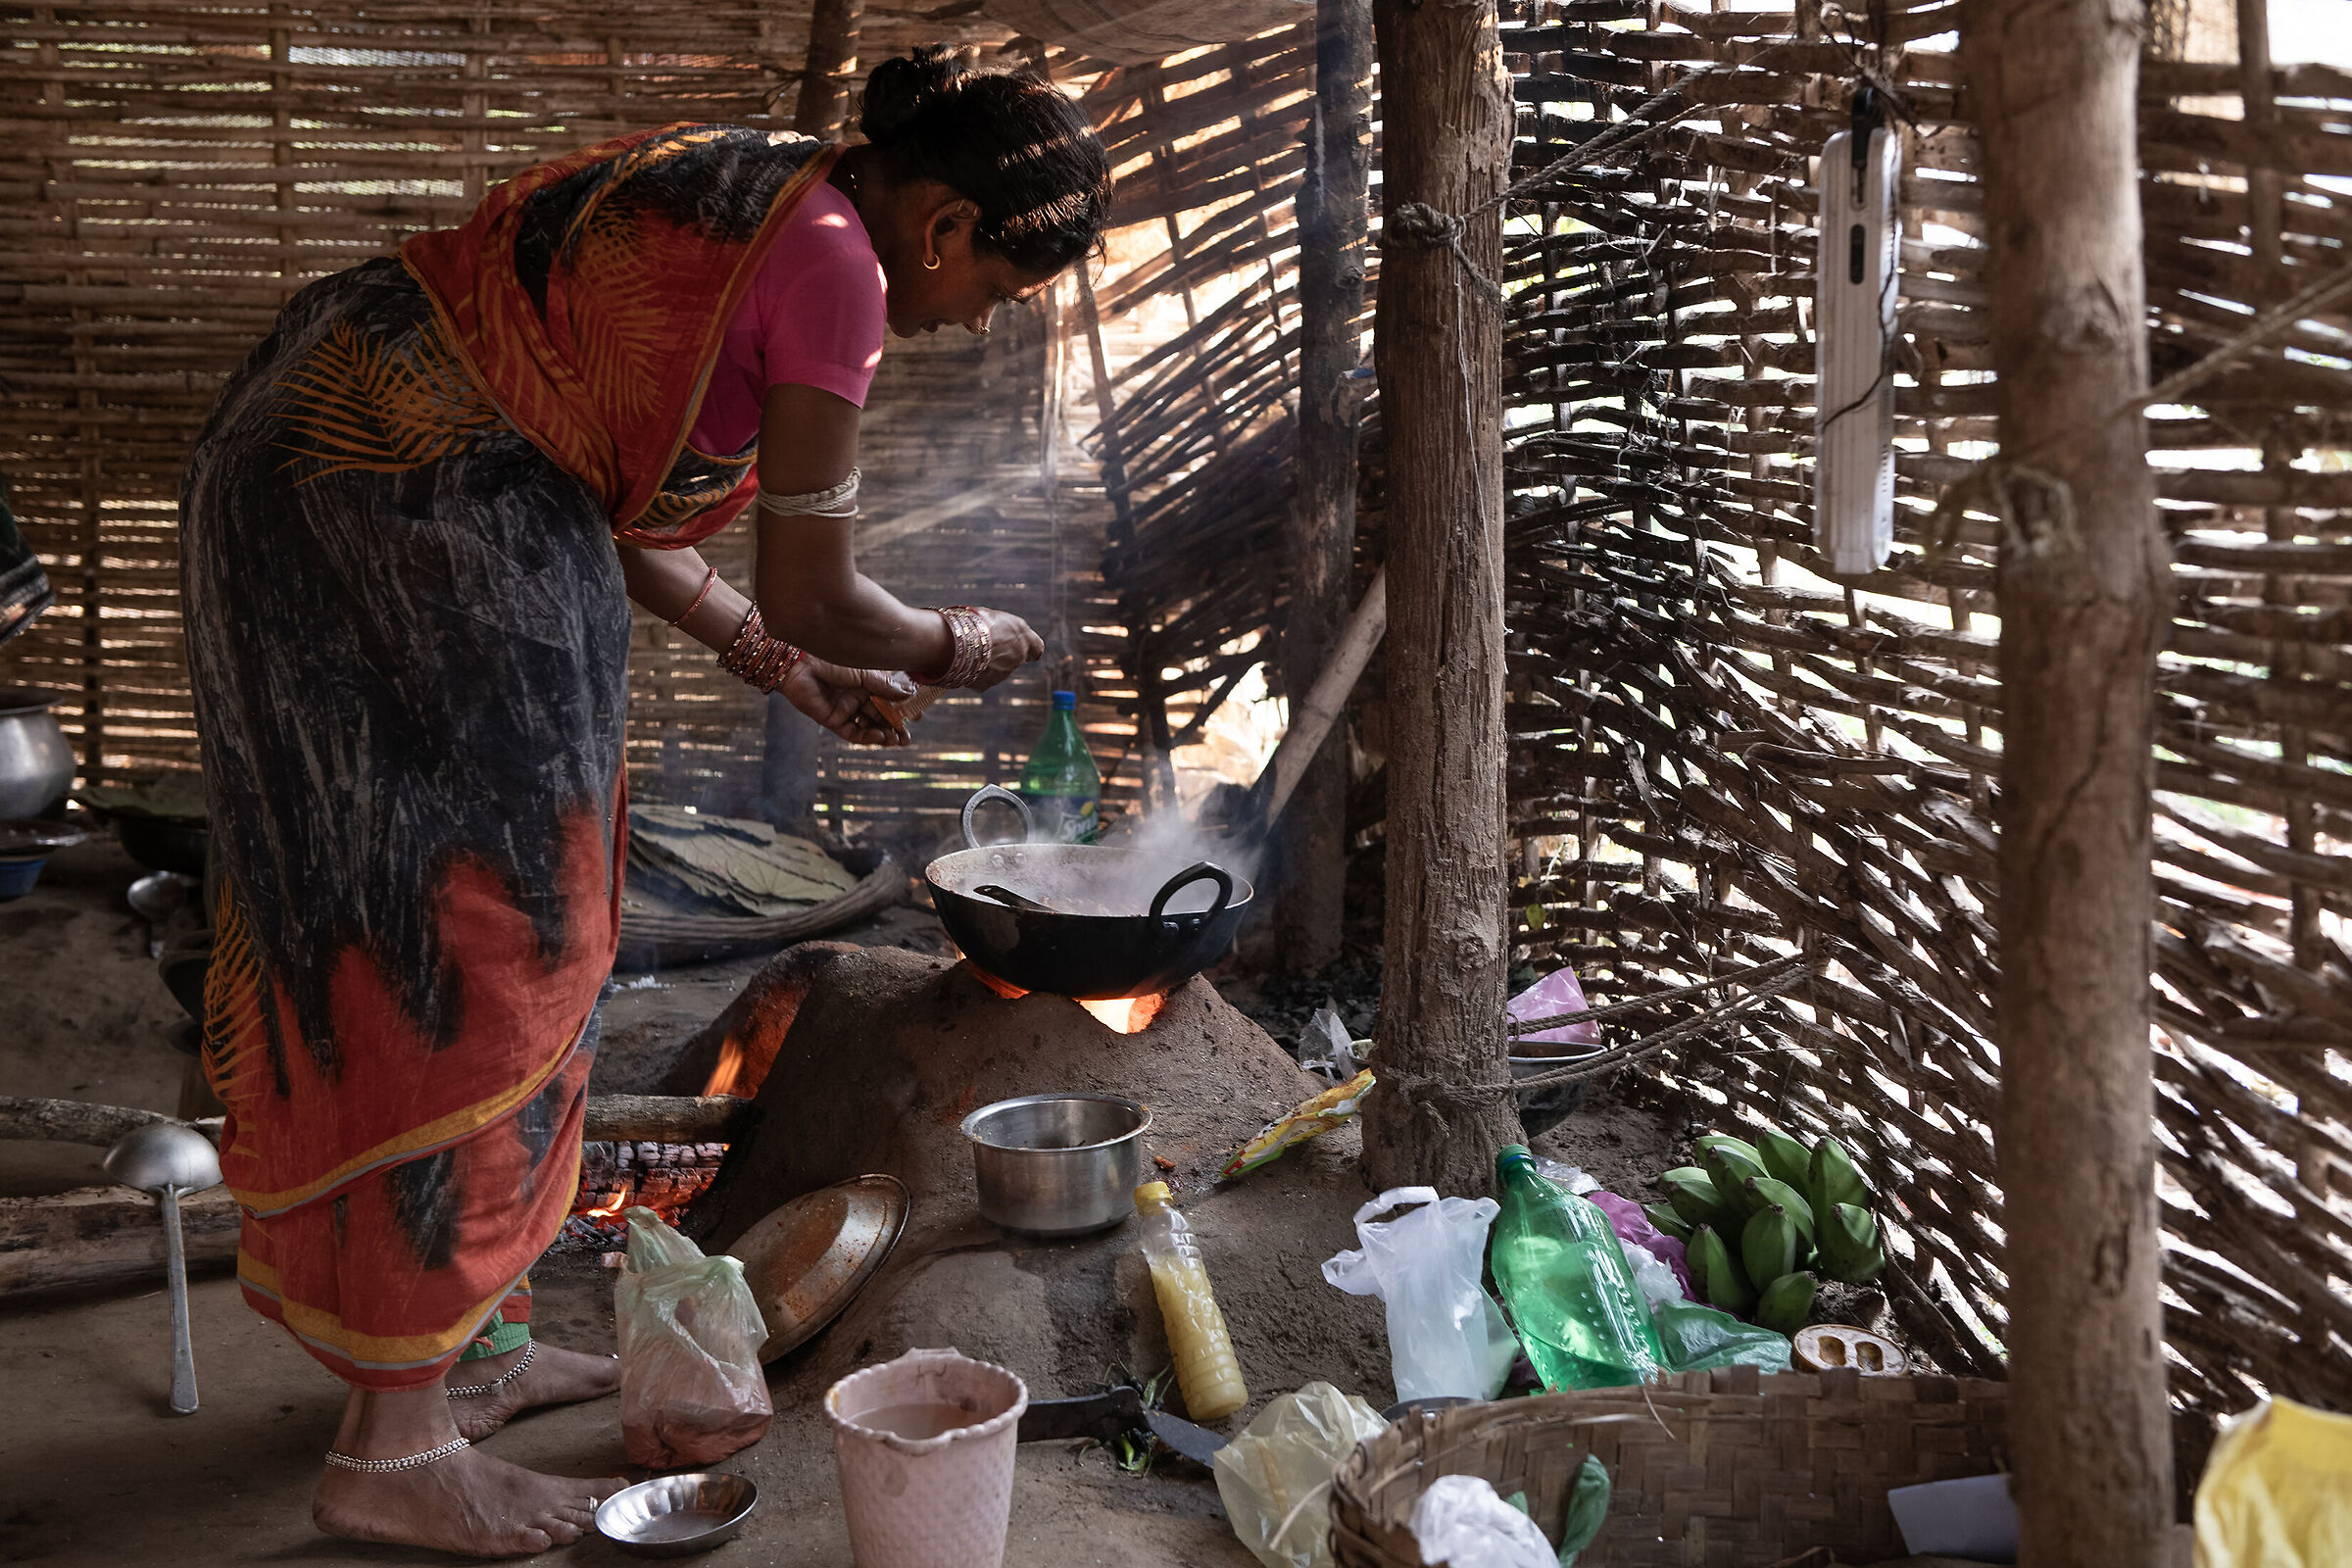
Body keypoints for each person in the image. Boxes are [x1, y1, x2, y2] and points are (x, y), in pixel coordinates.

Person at [178, 46, 1109, 1557]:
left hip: (348, 460)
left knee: (468, 921)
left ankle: (458, 1354)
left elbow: (595, 485)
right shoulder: (835, 271)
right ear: (942, 227)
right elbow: (822, 581)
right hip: (393, 505)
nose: (975, 321)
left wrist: (781, 668)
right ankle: (392, 1453)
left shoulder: (770, 198)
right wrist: (956, 644)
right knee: (483, 940)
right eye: (997, 288)